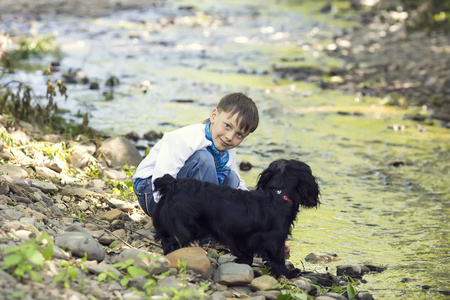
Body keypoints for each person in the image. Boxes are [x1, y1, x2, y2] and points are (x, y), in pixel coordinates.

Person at [132, 92, 259, 218]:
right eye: (227, 126)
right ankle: (203, 223)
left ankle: (216, 222)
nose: (229, 137)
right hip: (151, 192)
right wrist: (171, 220)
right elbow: (162, 179)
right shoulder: (188, 138)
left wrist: (251, 207)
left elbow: (237, 183)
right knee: (203, 159)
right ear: (214, 116)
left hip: (184, 195)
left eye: (239, 135)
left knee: (232, 178)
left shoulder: (227, 148)